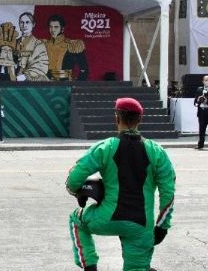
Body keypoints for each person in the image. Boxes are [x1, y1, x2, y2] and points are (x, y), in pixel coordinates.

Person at [67, 97, 175, 271]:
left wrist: (78, 191)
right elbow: (168, 193)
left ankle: (90, 266)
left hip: (106, 218)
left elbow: (73, 180)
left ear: (116, 118)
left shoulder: (104, 147)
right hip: (141, 226)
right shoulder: (157, 152)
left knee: (76, 219)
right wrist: (162, 226)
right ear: (140, 120)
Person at [43, 14, 89, 81]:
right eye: (50, 27)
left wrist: (76, 83)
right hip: (45, 84)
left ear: (62, 29)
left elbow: (84, 68)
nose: (52, 30)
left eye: (56, 27)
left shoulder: (73, 45)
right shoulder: (43, 44)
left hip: (65, 84)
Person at [15, 12, 49, 81]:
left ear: (33, 25)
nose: (24, 25)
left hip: (31, 81)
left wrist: (23, 76)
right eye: (22, 22)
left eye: (27, 22)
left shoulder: (39, 44)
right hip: (13, 80)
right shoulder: (14, 43)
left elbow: (41, 65)